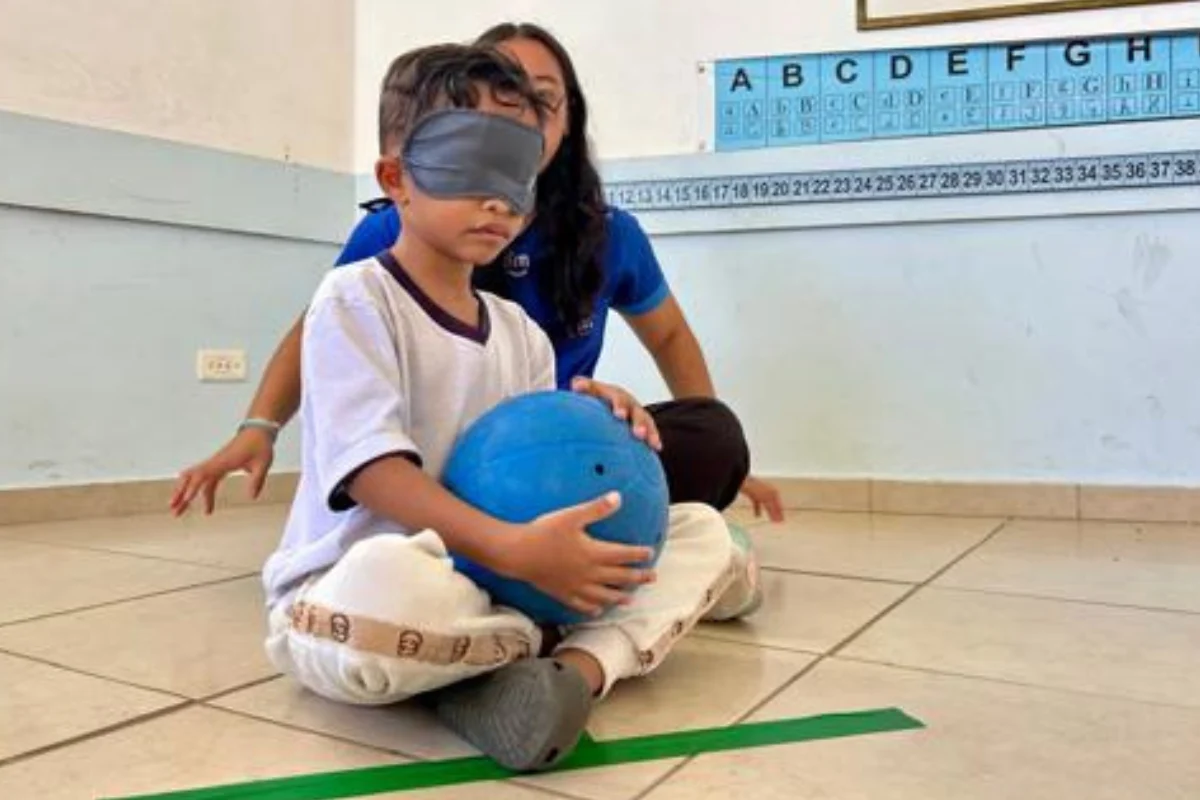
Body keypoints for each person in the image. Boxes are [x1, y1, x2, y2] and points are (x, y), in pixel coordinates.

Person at [261, 42, 755, 774]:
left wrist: (602, 417)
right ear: (395, 177)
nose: (498, 199)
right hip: (371, 583)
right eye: (469, 164)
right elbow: (374, 473)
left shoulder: (520, 331)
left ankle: (566, 675)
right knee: (382, 590)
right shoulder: (355, 299)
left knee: (701, 532)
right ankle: (543, 649)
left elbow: (537, 459)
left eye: (516, 172)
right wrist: (513, 550)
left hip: (497, 584)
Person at [170, 22, 784, 524]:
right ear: (400, 177)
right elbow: (321, 333)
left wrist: (609, 413)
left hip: (543, 445)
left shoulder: (595, 245)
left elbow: (667, 338)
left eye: (540, 99)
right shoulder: (390, 239)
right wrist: (260, 426)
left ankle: (628, 549)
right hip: (435, 461)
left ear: (565, 120)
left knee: (709, 437)